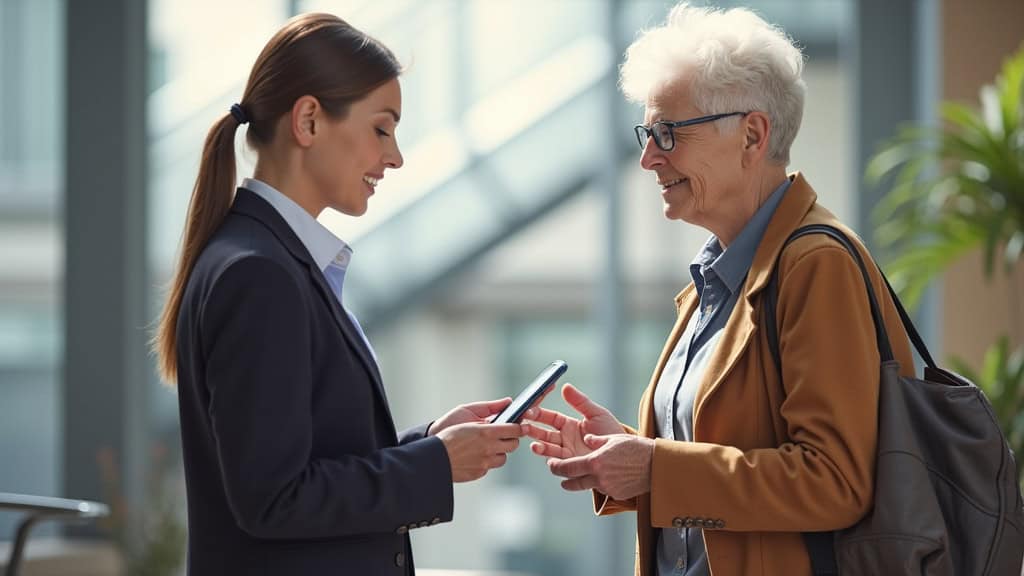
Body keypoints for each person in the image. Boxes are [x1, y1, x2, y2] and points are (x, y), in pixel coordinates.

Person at [522, 3, 916, 575]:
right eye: (646, 132)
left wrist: (656, 467)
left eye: (666, 133)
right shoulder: (719, 279)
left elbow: (836, 482)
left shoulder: (815, 264)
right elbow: (729, 472)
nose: (648, 157)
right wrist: (625, 459)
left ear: (752, 135)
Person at [153, 13, 525, 576]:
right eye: (382, 128)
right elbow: (274, 499)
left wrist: (427, 444)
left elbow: (304, 460)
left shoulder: (264, 259)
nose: (395, 156)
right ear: (308, 120)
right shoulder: (259, 273)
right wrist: (434, 465)